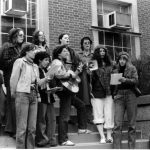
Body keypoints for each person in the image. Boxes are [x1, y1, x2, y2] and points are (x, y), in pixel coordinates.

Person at [10, 43, 46, 149]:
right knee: (22, 128)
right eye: (33, 50)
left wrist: (47, 77)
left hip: (34, 95)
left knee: (32, 128)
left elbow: (38, 82)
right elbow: (13, 78)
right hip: (22, 94)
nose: (35, 52)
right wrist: (14, 93)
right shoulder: (20, 62)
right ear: (27, 51)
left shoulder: (35, 66)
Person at [58, 34, 91, 134]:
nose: (68, 39)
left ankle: (82, 128)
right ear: (60, 40)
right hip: (62, 86)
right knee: (65, 113)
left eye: (68, 38)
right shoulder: (57, 53)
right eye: (65, 38)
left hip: (70, 84)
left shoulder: (72, 52)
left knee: (81, 105)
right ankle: (63, 138)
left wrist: (80, 67)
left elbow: (80, 62)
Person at [1, 28, 25, 137]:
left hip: (21, 79)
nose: (22, 37)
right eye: (20, 35)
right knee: (13, 104)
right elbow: (5, 64)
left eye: (23, 35)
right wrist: (19, 57)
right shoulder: (7, 47)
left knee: (18, 104)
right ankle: (14, 130)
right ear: (14, 36)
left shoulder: (21, 48)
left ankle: (13, 129)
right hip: (10, 78)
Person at [113, 51, 138, 149]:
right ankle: (116, 148)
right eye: (120, 59)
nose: (122, 61)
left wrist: (125, 80)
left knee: (132, 124)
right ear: (118, 60)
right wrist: (114, 94)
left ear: (127, 60)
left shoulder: (132, 68)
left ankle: (131, 148)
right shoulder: (115, 70)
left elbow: (136, 81)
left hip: (130, 95)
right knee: (117, 125)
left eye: (124, 59)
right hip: (119, 96)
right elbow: (113, 85)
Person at [91, 46, 114, 144]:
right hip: (96, 93)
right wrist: (90, 91)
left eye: (104, 51)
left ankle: (109, 136)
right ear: (97, 52)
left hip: (109, 93)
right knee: (98, 114)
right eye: (100, 51)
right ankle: (102, 136)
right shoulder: (92, 63)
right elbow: (89, 80)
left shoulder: (111, 64)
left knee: (109, 114)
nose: (102, 52)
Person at [34, 51, 57, 147]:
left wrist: (54, 87)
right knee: (41, 120)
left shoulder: (46, 70)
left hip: (49, 97)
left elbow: (51, 83)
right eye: (46, 60)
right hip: (41, 98)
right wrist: (46, 80)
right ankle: (42, 140)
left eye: (48, 60)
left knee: (52, 119)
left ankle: (51, 139)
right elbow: (37, 84)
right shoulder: (36, 70)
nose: (48, 62)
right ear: (40, 60)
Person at [78, 36, 93, 124]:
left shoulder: (93, 55)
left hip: (91, 78)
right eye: (85, 43)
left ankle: (90, 117)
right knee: (83, 97)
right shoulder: (78, 55)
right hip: (82, 78)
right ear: (82, 45)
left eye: (88, 43)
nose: (87, 44)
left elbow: (95, 66)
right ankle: (83, 118)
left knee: (91, 97)